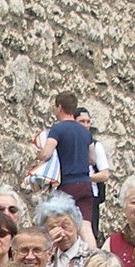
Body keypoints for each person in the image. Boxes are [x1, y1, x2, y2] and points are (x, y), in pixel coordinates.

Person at [36, 90, 98, 228]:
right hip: (85, 184)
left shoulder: (58, 129)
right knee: (85, 227)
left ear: (59, 107)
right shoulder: (85, 132)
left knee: (59, 224)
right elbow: (92, 159)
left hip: (67, 185)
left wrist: (38, 154)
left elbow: (46, 154)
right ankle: (91, 244)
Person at [38, 193, 96, 267]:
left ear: (76, 224)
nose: (61, 234)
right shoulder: (44, 256)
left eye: (65, 226)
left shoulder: (92, 256)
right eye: (53, 228)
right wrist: (47, 246)